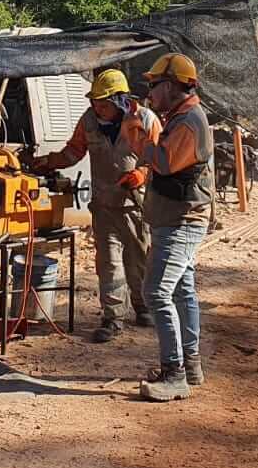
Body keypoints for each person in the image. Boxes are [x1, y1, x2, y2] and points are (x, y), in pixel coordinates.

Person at [27, 69, 161, 342]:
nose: (96, 107)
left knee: (138, 258)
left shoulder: (145, 120)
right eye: (95, 102)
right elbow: (73, 151)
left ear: (121, 100)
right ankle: (113, 317)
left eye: (103, 103)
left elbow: (163, 159)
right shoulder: (89, 120)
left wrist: (142, 174)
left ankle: (143, 305)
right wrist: (47, 162)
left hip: (135, 204)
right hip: (103, 204)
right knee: (108, 262)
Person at [136, 52, 215, 402]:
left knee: (155, 293)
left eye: (154, 85)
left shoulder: (188, 122)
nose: (150, 93)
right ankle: (192, 365)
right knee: (182, 290)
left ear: (170, 85)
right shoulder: (181, 116)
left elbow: (164, 163)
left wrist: (139, 134)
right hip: (177, 217)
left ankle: (174, 374)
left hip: (181, 221)